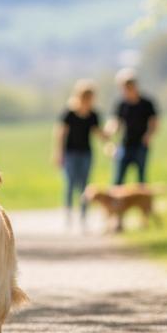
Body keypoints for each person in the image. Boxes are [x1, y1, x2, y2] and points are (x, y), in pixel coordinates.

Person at [54, 79, 108, 229]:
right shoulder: (69, 113)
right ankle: (68, 215)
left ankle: (84, 216)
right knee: (70, 184)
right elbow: (61, 134)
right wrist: (59, 153)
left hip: (86, 154)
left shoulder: (93, 115)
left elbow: (99, 133)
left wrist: (109, 134)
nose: (89, 100)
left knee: (85, 185)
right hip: (70, 153)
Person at [104, 68, 157, 185]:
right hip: (125, 145)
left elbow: (154, 122)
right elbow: (115, 122)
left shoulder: (146, 103)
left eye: (129, 86)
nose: (127, 90)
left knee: (141, 178)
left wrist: (148, 136)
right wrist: (109, 134)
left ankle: (143, 202)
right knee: (118, 179)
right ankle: (117, 203)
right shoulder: (121, 104)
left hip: (141, 145)